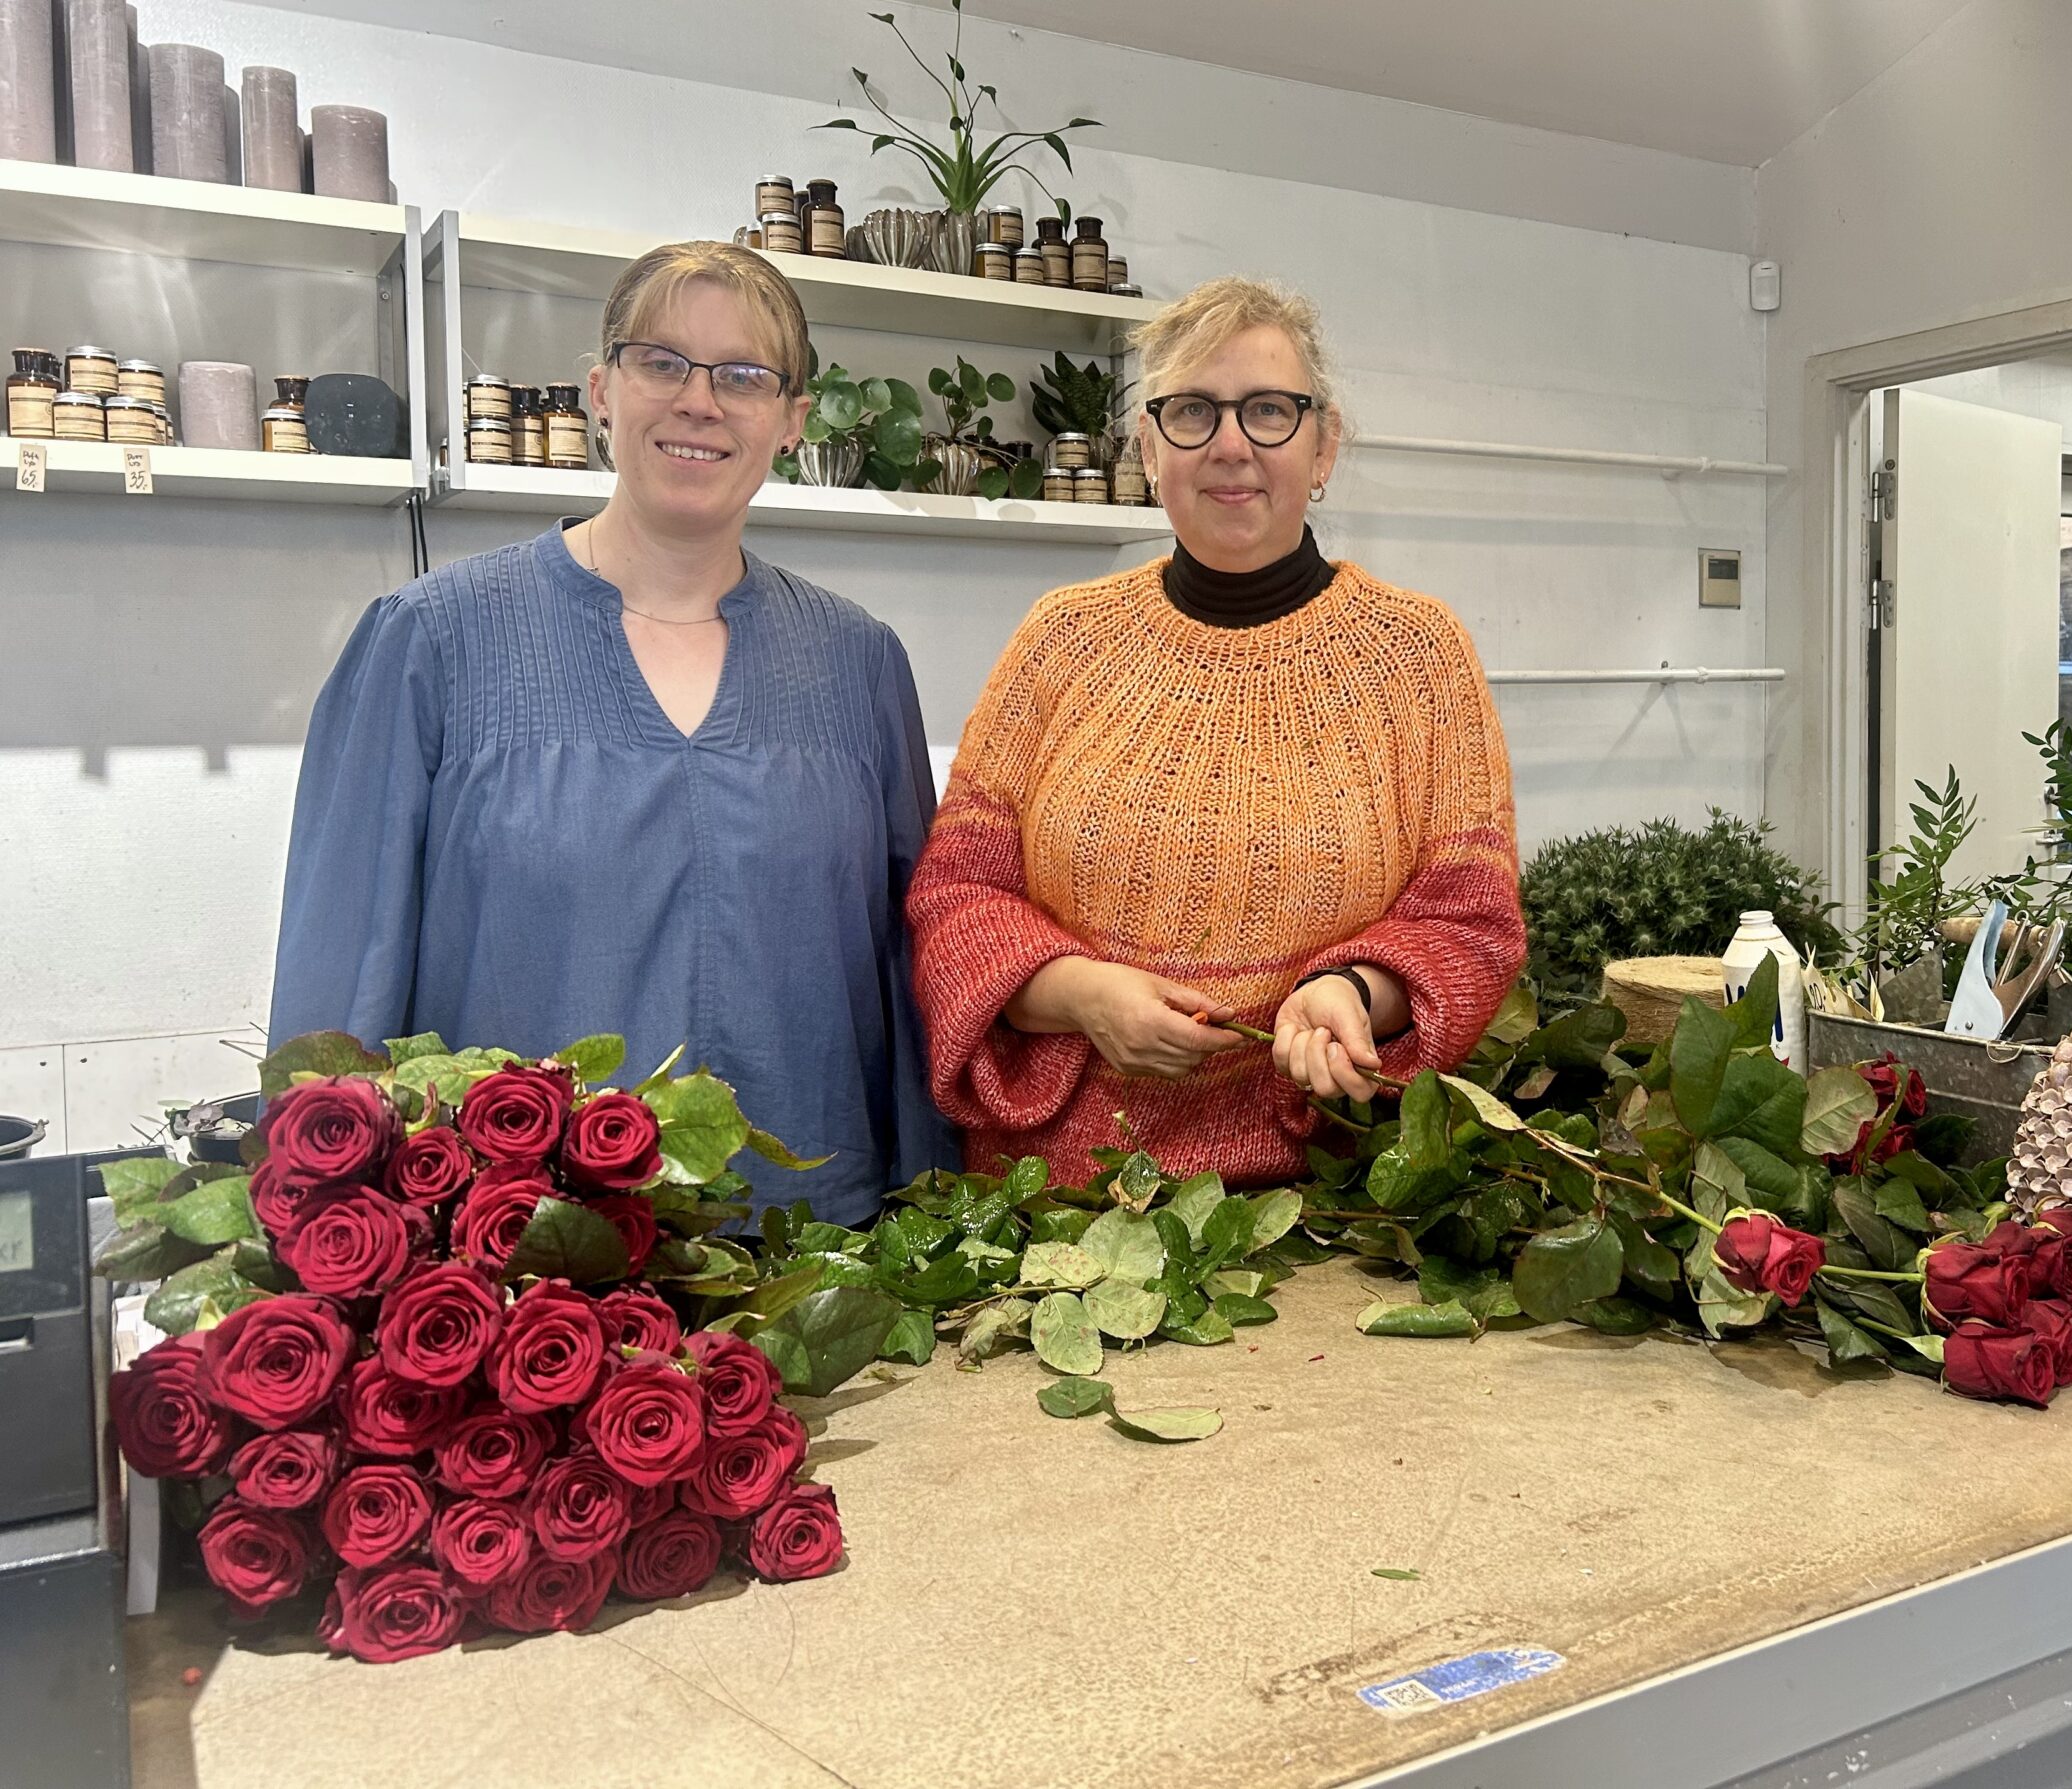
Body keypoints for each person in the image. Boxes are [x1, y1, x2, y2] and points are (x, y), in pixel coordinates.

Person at [269, 241, 954, 1221]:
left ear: (792, 422)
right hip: (521, 1288)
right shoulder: (430, 643)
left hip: (813, 1272)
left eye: (744, 376)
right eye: (661, 362)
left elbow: (912, 982)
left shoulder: (859, 666)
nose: (698, 401)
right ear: (601, 390)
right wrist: (330, 1249)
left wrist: (929, 1223)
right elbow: (337, 1004)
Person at [908, 275, 1525, 1183]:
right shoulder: (1061, 640)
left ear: (1325, 447)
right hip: (1057, 1203)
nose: (1231, 444)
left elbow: (1470, 920)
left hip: (1333, 1195)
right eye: (1192, 411)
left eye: (1269, 410)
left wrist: (1353, 989)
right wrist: (1083, 996)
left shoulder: (1419, 655)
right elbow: (956, 897)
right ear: (1149, 450)